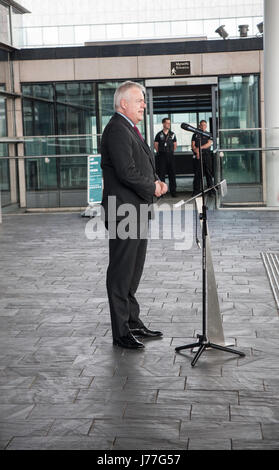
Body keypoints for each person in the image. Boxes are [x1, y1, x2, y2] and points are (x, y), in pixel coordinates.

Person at [101, 81, 168, 350]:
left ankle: (132, 321)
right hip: (124, 212)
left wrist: (157, 181)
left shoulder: (129, 129)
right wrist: (152, 186)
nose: (144, 104)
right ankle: (121, 332)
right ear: (124, 103)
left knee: (134, 271)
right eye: (139, 100)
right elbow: (126, 171)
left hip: (136, 209)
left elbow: (142, 163)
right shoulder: (117, 129)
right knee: (121, 273)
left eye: (143, 100)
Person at [154, 118, 177, 197]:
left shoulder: (172, 134)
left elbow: (175, 145)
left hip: (170, 156)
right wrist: (160, 152)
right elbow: (156, 145)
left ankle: (173, 192)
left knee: (172, 174)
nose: (168, 124)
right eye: (167, 123)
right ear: (163, 124)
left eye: (169, 123)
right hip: (162, 156)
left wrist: (170, 152)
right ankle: (162, 193)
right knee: (161, 174)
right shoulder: (159, 134)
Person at [191, 120, 213, 196]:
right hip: (198, 156)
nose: (203, 126)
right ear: (199, 126)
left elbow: (209, 144)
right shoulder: (195, 134)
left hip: (207, 155)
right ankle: (196, 191)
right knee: (197, 174)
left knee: (208, 173)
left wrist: (199, 148)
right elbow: (193, 145)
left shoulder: (208, 134)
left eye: (204, 125)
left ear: (206, 126)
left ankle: (211, 190)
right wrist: (197, 152)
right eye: (202, 125)